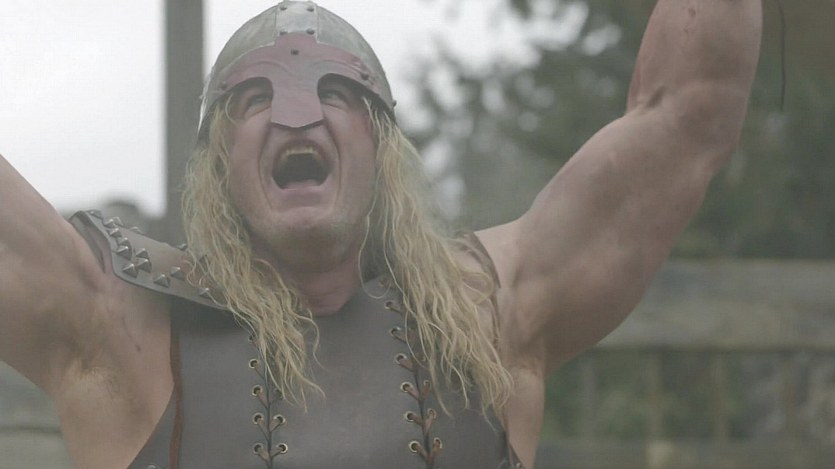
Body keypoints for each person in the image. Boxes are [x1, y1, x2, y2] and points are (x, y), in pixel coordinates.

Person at [0, 1, 762, 468]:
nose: (298, 115)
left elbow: (685, 115)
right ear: (217, 162)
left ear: (382, 146)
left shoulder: (490, 310)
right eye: (255, 99)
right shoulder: (119, 333)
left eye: (337, 91)